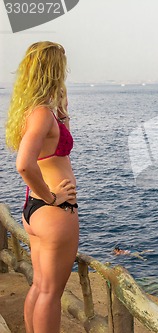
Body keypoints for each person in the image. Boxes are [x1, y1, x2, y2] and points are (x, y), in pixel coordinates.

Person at [5, 41, 78, 333]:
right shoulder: (41, 115)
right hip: (53, 211)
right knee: (50, 293)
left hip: (36, 210)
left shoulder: (34, 111)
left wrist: (62, 104)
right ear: (53, 71)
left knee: (40, 286)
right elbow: (24, 164)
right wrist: (53, 197)